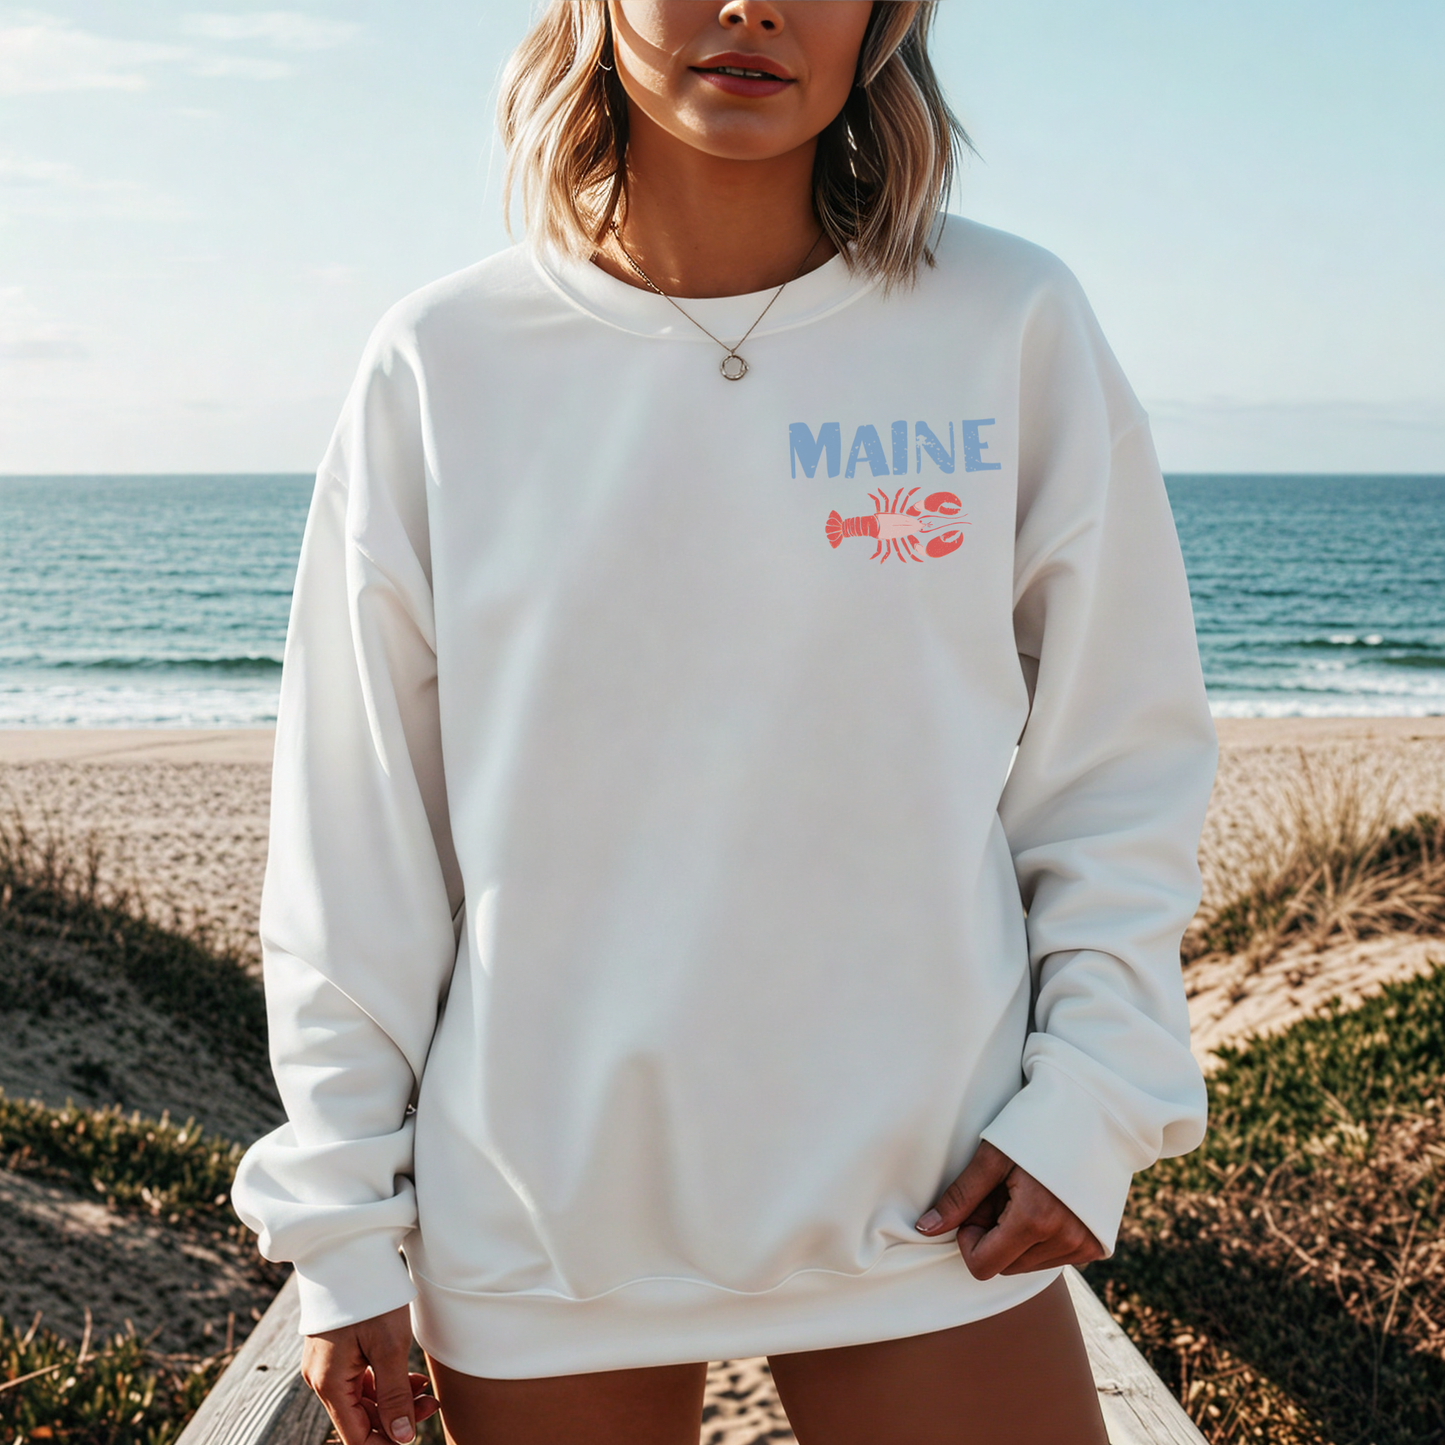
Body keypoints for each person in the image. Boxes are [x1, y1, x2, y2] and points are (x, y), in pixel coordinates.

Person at [232, 3, 1217, 1442]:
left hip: (933, 1208)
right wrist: (336, 1224)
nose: (754, 4)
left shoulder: (1007, 322)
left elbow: (1118, 755)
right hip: (544, 1229)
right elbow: (355, 829)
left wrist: (1095, 1099)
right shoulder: (444, 361)